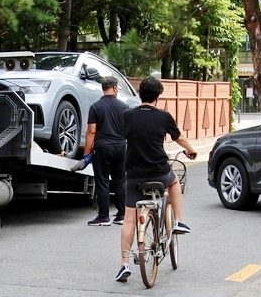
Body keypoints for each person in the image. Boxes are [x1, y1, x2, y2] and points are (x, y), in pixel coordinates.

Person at [115, 76, 197, 282]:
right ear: (158, 96)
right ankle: (178, 221)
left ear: (140, 94)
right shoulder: (163, 117)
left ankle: (124, 264)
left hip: (134, 175)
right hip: (159, 172)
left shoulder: (127, 115)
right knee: (174, 182)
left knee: (129, 220)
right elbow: (179, 137)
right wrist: (190, 151)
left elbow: (123, 136)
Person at [74, 75, 129, 226]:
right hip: (120, 146)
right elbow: (128, 130)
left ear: (103, 88)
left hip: (102, 147)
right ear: (115, 87)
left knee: (103, 181)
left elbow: (91, 132)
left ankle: (104, 216)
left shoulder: (96, 107)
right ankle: (121, 215)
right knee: (120, 181)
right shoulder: (124, 107)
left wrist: (86, 154)